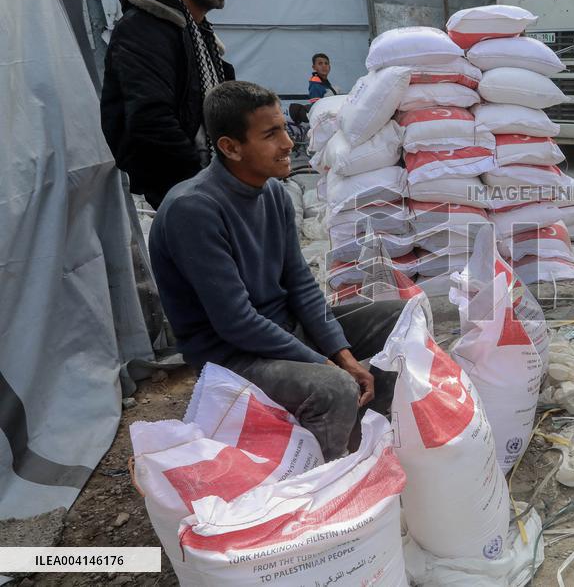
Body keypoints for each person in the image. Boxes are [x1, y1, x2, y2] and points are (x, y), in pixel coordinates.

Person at [149, 81, 403, 460]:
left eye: (284, 128)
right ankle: (323, 476)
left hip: (282, 329)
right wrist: (326, 363)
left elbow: (301, 285)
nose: (288, 143)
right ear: (230, 147)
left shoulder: (273, 193)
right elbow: (237, 323)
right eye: (271, 134)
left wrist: (344, 355)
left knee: (401, 319)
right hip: (231, 357)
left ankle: (366, 439)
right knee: (334, 386)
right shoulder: (194, 210)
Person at [101, 0, 239, 209]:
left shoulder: (200, 34)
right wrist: (198, 185)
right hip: (185, 190)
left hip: (209, 182)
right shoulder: (144, 28)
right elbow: (151, 119)